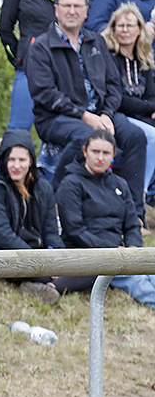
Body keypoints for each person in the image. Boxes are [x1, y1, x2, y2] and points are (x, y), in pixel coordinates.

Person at [26, 0, 147, 223]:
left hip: (100, 115)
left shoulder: (96, 42)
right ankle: (55, 204)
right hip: (57, 118)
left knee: (136, 137)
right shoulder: (41, 47)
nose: (72, 11)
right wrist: (85, 115)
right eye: (67, 5)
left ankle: (134, 215)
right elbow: (45, 94)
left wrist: (106, 114)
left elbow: (114, 86)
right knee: (85, 136)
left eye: (77, 6)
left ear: (86, 11)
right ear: (56, 9)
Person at [54, 128, 155, 307]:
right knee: (140, 284)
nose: (100, 158)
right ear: (85, 152)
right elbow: (75, 230)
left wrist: (133, 249)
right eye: (95, 152)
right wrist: (111, 251)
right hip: (89, 252)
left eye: (106, 153)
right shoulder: (71, 184)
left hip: (121, 253)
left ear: (113, 155)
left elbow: (132, 224)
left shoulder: (119, 184)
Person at [0, 129, 64, 306]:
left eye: (22, 160)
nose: (16, 165)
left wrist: (58, 259)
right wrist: (39, 260)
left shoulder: (43, 188)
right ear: (4, 160)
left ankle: (45, 285)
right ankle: (50, 283)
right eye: (11, 160)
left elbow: (51, 231)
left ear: (31, 161)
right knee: (43, 271)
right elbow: (2, 234)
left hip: (34, 251)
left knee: (80, 269)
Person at [0, 0, 71, 130]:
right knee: (18, 129)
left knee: (65, 128)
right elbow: (5, 29)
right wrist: (19, 56)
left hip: (63, 67)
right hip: (29, 67)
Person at [101, 2, 155, 205]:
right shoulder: (108, 57)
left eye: (129, 25)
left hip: (140, 116)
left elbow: (151, 95)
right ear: (113, 29)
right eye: (120, 26)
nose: (125, 30)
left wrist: (150, 107)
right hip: (117, 115)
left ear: (139, 29)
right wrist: (150, 108)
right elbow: (119, 99)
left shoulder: (143, 59)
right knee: (150, 136)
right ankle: (137, 196)